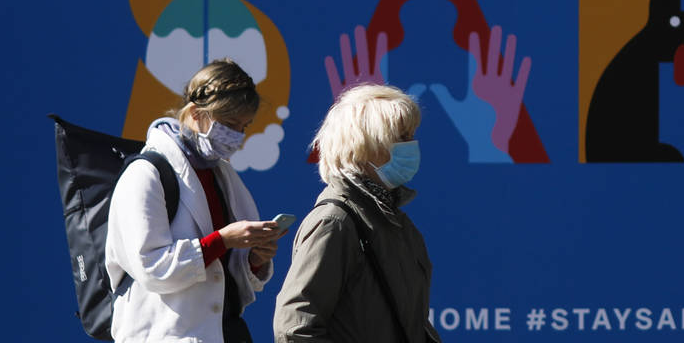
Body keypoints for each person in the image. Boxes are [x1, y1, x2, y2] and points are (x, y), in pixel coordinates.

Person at [106, 59, 285, 343]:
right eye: (229, 124)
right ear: (194, 113)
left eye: (244, 126)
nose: (237, 136)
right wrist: (223, 240)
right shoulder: (144, 174)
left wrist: (254, 259)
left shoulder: (221, 175)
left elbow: (224, 275)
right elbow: (152, 268)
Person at [273, 85, 440, 343]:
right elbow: (295, 328)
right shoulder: (333, 222)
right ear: (364, 147)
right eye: (402, 137)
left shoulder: (396, 222)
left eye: (411, 135)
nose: (412, 146)